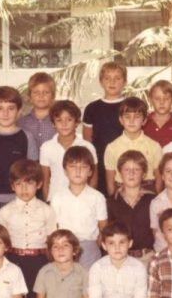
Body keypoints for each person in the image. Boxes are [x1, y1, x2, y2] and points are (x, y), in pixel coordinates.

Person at [0, 159, 56, 298]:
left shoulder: (47, 210)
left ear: (39, 185)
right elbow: (0, 240)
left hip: (38, 260)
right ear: (12, 186)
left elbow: (51, 239)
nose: (24, 189)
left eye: (29, 183)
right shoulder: (5, 211)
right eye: (19, 184)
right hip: (13, 259)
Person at [0, 85, 38, 211]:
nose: (5, 113)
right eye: (0, 108)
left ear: (19, 110)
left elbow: (33, 173)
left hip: (19, 201)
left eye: (11, 108)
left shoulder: (27, 137)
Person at [50, 146, 107, 270]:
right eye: (73, 166)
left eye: (83, 167)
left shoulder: (97, 197)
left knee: (89, 280)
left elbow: (103, 227)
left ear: (90, 172)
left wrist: (95, 245)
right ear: (65, 171)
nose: (78, 171)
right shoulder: (57, 197)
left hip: (89, 248)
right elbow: (53, 228)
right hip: (64, 246)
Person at [82, 61, 127, 196]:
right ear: (101, 82)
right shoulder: (92, 108)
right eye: (107, 78)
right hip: (100, 164)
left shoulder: (130, 106)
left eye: (117, 78)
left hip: (125, 162)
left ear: (124, 82)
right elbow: (87, 141)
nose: (112, 82)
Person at [39, 100, 97, 202]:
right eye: (59, 120)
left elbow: (93, 179)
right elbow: (45, 180)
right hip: (55, 201)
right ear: (53, 124)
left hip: (81, 201)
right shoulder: (46, 147)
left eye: (69, 119)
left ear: (76, 122)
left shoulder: (88, 147)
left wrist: (88, 201)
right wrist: (48, 201)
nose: (64, 124)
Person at [104, 96, 162, 195]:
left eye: (137, 116)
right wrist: (113, 200)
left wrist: (157, 198)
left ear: (144, 120)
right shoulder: (112, 147)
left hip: (148, 190)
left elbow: (159, 179)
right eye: (127, 116)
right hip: (121, 191)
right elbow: (110, 183)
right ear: (121, 120)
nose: (132, 121)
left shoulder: (154, 146)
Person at [106, 150, 156, 264]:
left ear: (144, 174)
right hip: (120, 257)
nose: (131, 173)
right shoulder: (111, 202)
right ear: (120, 173)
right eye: (127, 170)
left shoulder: (153, 200)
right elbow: (109, 234)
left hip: (147, 257)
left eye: (136, 169)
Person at [18, 72, 57, 148]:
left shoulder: (59, 121)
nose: (41, 96)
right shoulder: (21, 123)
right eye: (36, 92)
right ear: (29, 96)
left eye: (46, 92)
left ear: (53, 96)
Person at [143, 79, 172, 147]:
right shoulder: (143, 123)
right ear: (150, 100)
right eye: (157, 99)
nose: (162, 102)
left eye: (166, 98)